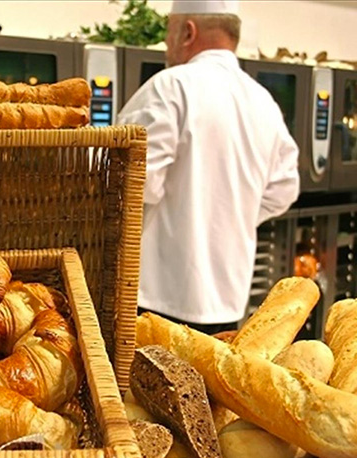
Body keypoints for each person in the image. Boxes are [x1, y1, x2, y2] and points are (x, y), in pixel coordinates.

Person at [116, 0, 300, 334]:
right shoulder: (263, 101)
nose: (166, 46)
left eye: (169, 33)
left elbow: (134, 182)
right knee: (206, 387)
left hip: (153, 300)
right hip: (226, 303)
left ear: (187, 32)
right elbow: (284, 188)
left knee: (139, 386)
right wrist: (234, 213)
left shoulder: (169, 87)